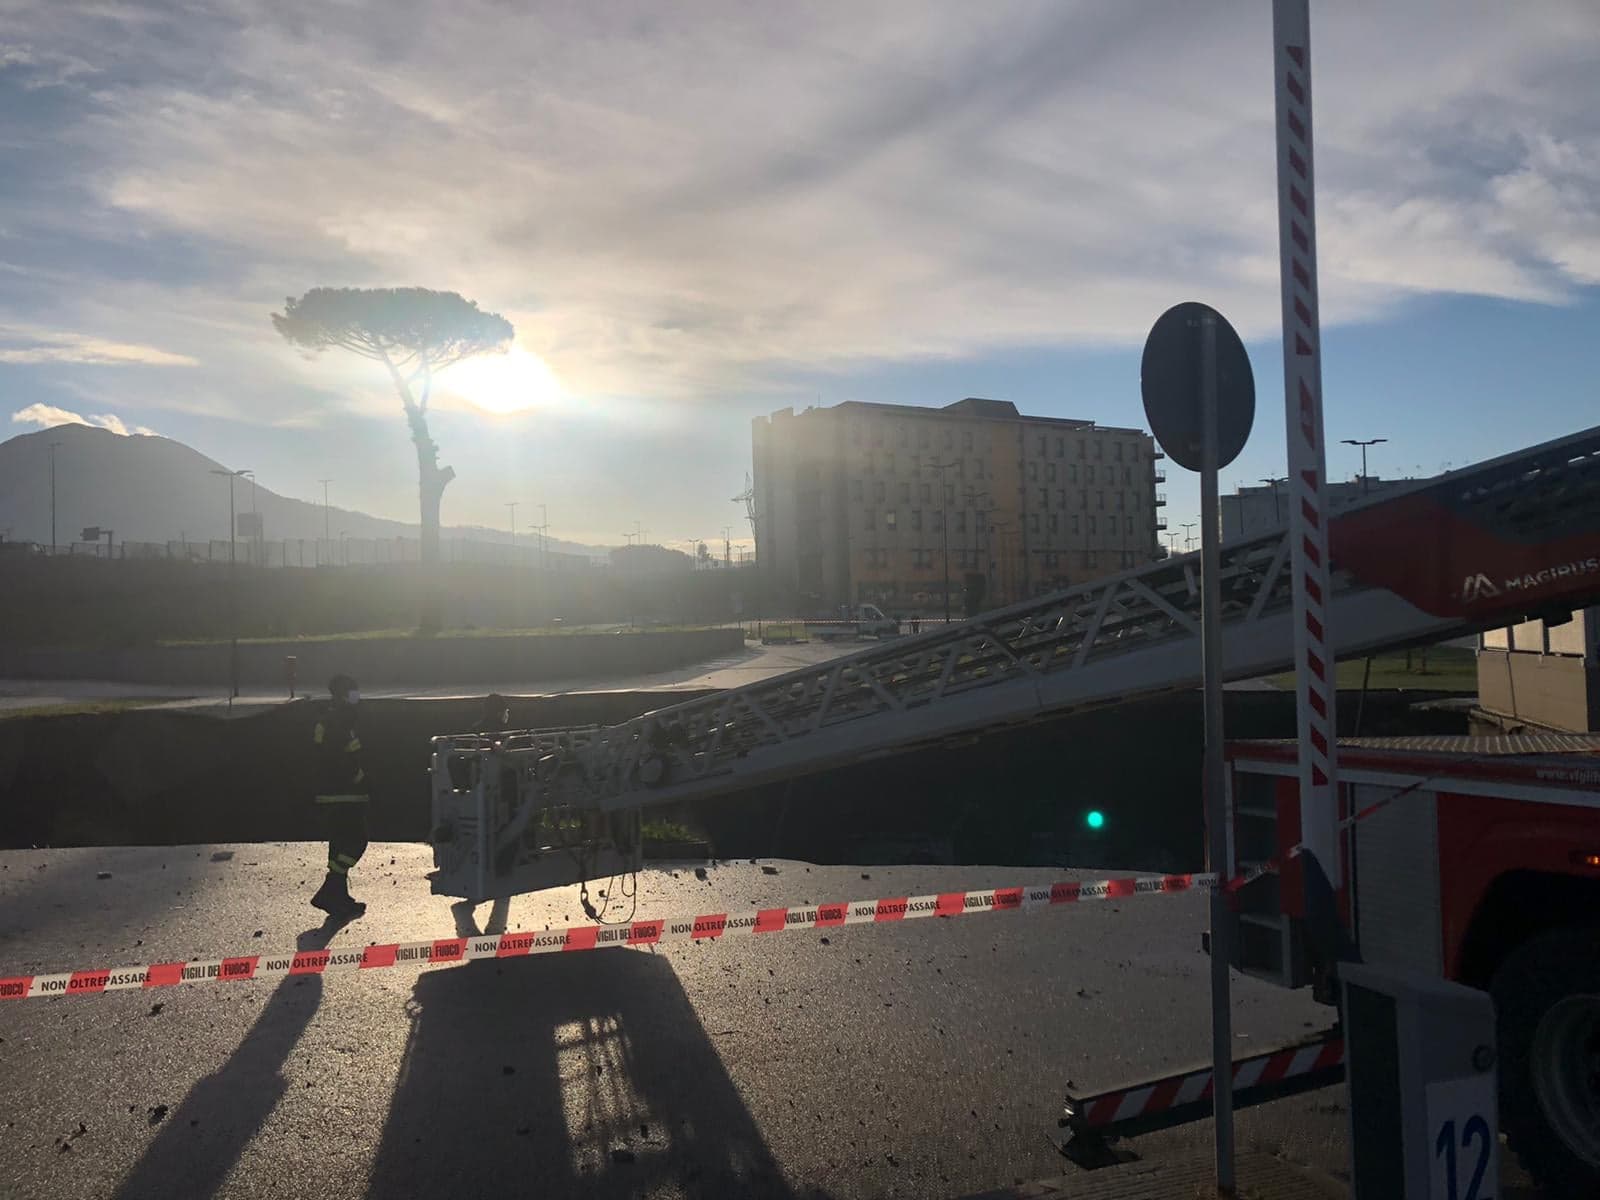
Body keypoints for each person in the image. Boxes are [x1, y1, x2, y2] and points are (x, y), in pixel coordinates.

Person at [309, 673, 369, 918]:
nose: (357, 696)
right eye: (353, 691)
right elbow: (337, 758)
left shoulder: (333, 719)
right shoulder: (338, 721)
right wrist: (358, 777)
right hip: (343, 794)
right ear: (344, 694)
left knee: (339, 845)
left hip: (334, 793)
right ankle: (330, 889)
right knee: (357, 841)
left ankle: (338, 898)